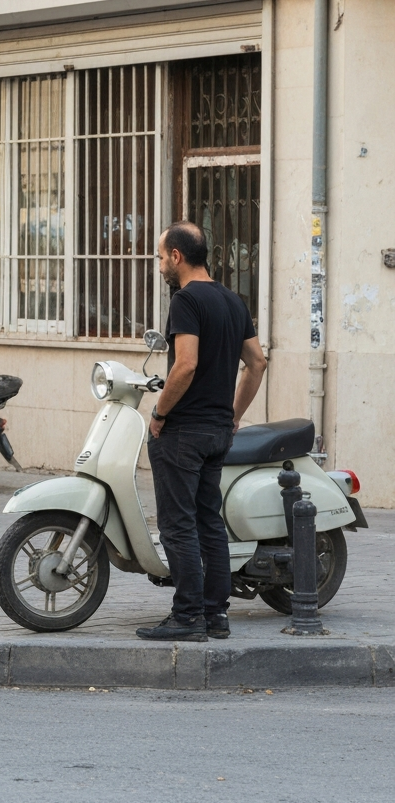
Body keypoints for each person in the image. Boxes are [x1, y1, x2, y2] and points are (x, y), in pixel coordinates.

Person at [136, 222, 267, 643]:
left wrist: (159, 413)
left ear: (176, 256)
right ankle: (216, 615)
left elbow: (185, 363)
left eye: (160, 257)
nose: (159, 266)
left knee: (178, 525)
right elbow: (258, 362)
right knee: (209, 522)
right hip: (216, 432)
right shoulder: (232, 300)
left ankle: (187, 616)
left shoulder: (186, 300)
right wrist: (233, 414)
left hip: (184, 432)